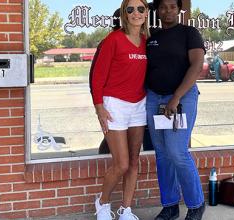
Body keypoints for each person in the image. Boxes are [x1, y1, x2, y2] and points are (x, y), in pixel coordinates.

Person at [145, 0, 205, 219]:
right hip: (154, 99)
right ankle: (170, 206)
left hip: (182, 98)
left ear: (179, 10)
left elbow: (196, 65)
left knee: (177, 151)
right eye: (163, 7)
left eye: (172, 6)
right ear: (157, 11)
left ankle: (196, 204)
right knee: (162, 154)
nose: (167, 10)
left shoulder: (189, 33)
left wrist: (176, 96)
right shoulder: (152, 37)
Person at [91, 0, 149, 219]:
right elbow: (97, 77)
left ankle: (126, 210)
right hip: (114, 105)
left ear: (146, 13)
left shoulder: (146, 41)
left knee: (134, 161)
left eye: (140, 9)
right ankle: (102, 202)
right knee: (121, 163)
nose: (136, 13)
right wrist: (99, 108)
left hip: (139, 105)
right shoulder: (113, 40)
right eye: (131, 9)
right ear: (125, 13)